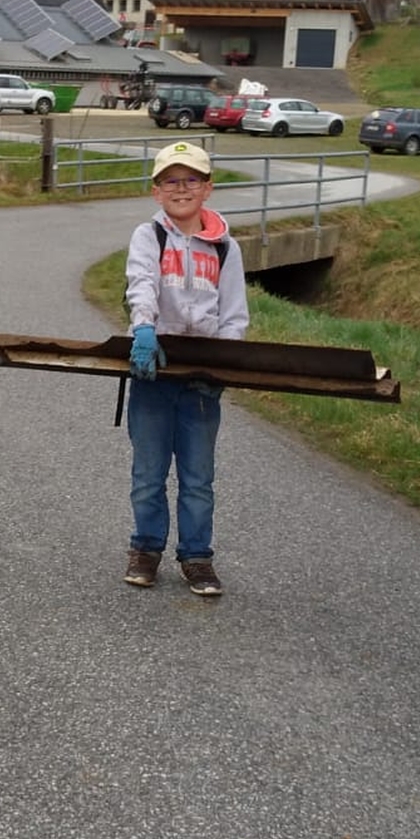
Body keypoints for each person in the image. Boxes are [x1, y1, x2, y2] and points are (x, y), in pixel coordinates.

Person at [122, 141, 248, 597]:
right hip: (152, 370)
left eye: (191, 180)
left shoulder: (225, 247)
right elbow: (142, 282)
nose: (181, 189)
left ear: (207, 188)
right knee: (148, 473)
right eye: (171, 181)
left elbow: (233, 313)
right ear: (156, 191)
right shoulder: (149, 236)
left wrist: (223, 365)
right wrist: (143, 328)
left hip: (201, 380)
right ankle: (146, 549)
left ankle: (197, 557)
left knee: (198, 477)